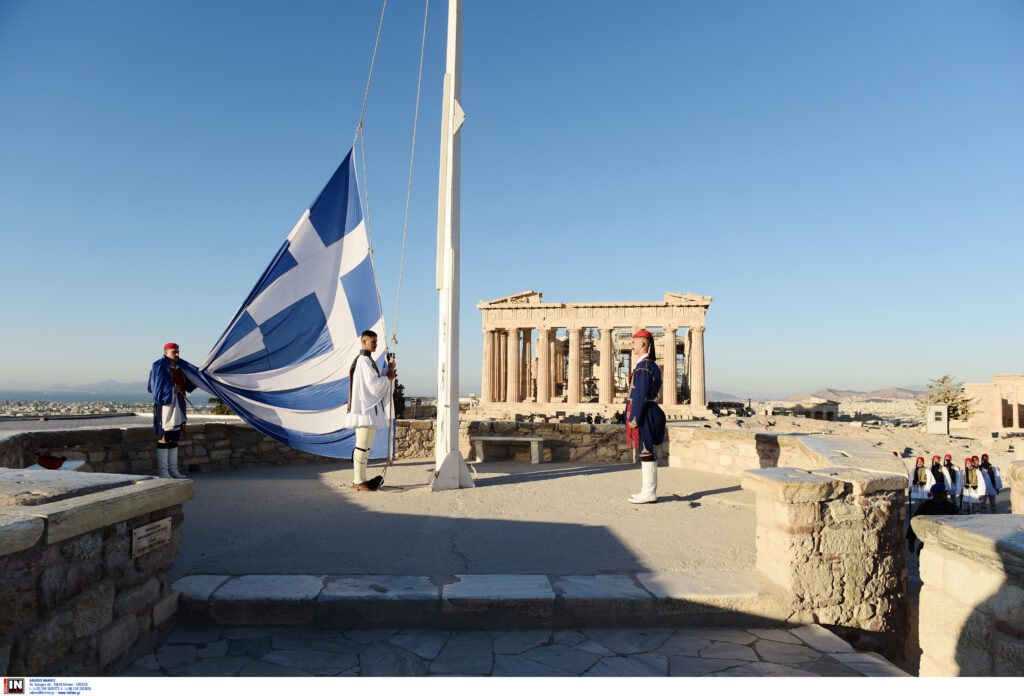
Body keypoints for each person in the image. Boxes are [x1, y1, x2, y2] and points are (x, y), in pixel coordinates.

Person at [342, 330, 396, 491]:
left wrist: (388, 372)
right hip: (364, 409)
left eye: (376, 341)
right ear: (364, 342)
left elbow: (375, 378)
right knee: (361, 445)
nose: (376, 344)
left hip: (369, 409)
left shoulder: (367, 361)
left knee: (366, 446)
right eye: (373, 342)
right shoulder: (363, 361)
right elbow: (372, 383)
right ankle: (358, 480)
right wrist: (387, 377)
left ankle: (361, 479)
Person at [625, 330, 666, 504]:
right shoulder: (651, 365)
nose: (631, 345)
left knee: (646, 451)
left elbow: (640, 394)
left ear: (642, 344)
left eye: (633, 342)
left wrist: (633, 419)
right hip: (649, 409)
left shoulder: (644, 367)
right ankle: (646, 490)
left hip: (644, 411)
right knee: (646, 451)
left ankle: (649, 492)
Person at [147, 342, 196, 479]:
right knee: (164, 437)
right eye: (174, 352)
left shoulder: (181, 367)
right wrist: (171, 388)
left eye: (178, 351)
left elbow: (189, 382)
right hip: (165, 406)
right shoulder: (158, 367)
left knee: (174, 438)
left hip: (178, 405)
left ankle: (173, 470)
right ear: (166, 352)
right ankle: (163, 471)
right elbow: (152, 388)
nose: (177, 354)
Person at [907, 482, 958, 554]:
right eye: (936, 496)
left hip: (945, 541)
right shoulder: (926, 506)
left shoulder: (950, 507)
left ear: (944, 494)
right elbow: (915, 521)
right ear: (933, 495)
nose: (938, 499)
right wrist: (911, 541)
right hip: (928, 539)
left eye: (940, 496)